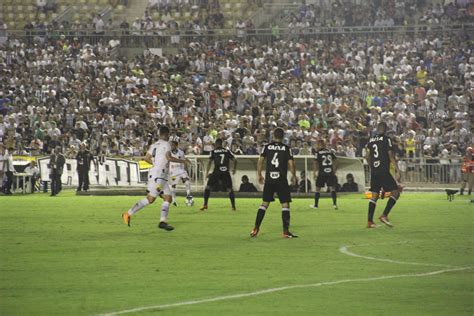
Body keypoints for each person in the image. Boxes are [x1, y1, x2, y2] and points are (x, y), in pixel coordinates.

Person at [122, 126, 189, 230]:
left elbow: (146, 158)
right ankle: (128, 213)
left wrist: (156, 164)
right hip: (160, 175)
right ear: (167, 134)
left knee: (168, 198)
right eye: (169, 135)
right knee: (150, 199)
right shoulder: (166, 144)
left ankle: (163, 221)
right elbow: (169, 158)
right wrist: (183, 161)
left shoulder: (154, 145)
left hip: (158, 175)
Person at [250, 127, 298, 238]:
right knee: (285, 204)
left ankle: (255, 228)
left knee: (264, 204)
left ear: (273, 136)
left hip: (269, 180)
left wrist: (260, 174)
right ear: (283, 137)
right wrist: (294, 176)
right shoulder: (286, 148)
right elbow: (291, 164)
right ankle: (286, 232)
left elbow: (260, 161)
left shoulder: (266, 147)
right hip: (281, 180)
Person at [365, 122, 402, 228]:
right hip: (383, 170)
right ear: (385, 129)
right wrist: (397, 170)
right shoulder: (386, 139)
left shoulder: (371, 140)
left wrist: (372, 166)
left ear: (377, 129)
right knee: (395, 193)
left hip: (375, 171)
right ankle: (384, 215)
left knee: (374, 196)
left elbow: (367, 156)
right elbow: (390, 155)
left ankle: (369, 222)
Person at [200, 138, 237, 211]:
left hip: (217, 171)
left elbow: (210, 162)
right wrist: (234, 169)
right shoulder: (227, 151)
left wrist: (207, 173)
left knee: (208, 187)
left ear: (217, 144)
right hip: (225, 171)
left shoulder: (213, 151)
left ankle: (205, 205)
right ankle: (233, 207)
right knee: (230, 189)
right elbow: (235, 160)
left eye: (215, 144)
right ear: (221, 143)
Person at [311, 139, 338, 209]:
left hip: (322, 172)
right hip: (330, 172)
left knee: (317, 189)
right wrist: (334, 170)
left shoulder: (318, 153)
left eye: (317, 144)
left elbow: (315, 163)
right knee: (332, 188)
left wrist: (314, 173)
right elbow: (336, 160)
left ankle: (316, 205)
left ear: (320, 145)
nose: (317, 146)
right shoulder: (330, 151)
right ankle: (334, 204)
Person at [169, 140, 193, 206]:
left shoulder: (181, 152)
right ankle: (174, 201)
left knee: (187, 182)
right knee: (173, 187)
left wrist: (188, 162)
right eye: (171, 145)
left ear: (176, 146)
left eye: (173, 145)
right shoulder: (168, 153)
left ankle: (188, 195)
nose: (171, 146)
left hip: (181, 170)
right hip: (173, 171)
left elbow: (184, 159)